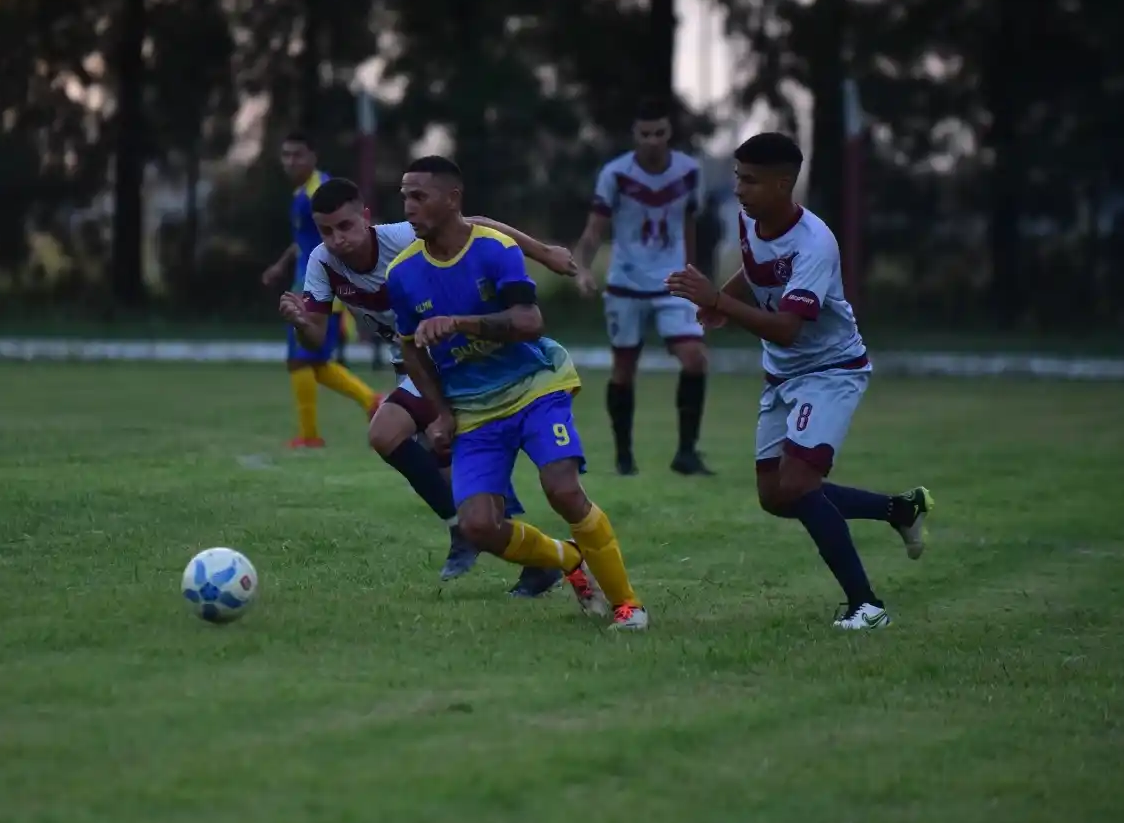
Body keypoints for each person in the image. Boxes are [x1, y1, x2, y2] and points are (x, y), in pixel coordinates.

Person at [664, 131, 933, 630]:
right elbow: (754, 268)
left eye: (750, 180)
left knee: (800, 483)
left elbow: (788, 330)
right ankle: (899, 509)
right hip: (783, 373)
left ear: (784, 183)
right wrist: (720, 298)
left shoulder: (815, 244)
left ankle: (867, 606)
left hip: (830, 371)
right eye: (737, 177)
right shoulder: (750, 220)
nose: (738, 189)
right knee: (775, 495)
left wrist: (720, 302)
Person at [386, 155, 650, 631]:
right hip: (474, 410)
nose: (407, 206)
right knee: (478, 526)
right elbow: (412, 352)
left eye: (418, 195)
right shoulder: (403, 274)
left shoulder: (494, 249)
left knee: (563, 491)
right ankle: (566, 560)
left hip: (535, 388)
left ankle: (627, 606)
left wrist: (461, 322)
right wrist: (440, 414)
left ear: (452, 200)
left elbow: (530, 322)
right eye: (404, 195)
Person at [277, 177, 572, 596]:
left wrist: (544, 253)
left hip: (454, 361)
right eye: (326, 231)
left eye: (345, 226)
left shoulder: (399, 238)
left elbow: (481, 225)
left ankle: (482, 538)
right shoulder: (321, 262)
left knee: (394, 437)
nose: (337, 240)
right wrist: (302, 324)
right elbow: (316, 338)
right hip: (414, 368)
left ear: (365, 217)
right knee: (452, 469)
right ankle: (529, 560)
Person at [572, 97, 712, 477]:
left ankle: (686, 453)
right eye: (645, 133)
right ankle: (624, 458)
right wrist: (583, 267)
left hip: (673, 282)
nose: (652, 141)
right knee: (623, 370)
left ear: (670, 133)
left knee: (695, 358)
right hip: (627, 284)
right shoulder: (615, 174)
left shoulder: (690, 171)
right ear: (634, 134)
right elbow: (594, 229)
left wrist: (693, 271)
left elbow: (689, 223)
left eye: (660, 133)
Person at [260, 132, 381, 447]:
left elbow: (343, 235)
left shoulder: (320, 191)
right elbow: (305, 239)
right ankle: (371, 401)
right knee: (314, 361)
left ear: (313, 156)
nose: (290, 162)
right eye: (285, 155)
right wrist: (281, 264)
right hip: (308, 278)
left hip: (317, 284)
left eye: (297, 155)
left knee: (300, 360)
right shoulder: (304, 191)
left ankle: (310, 435)